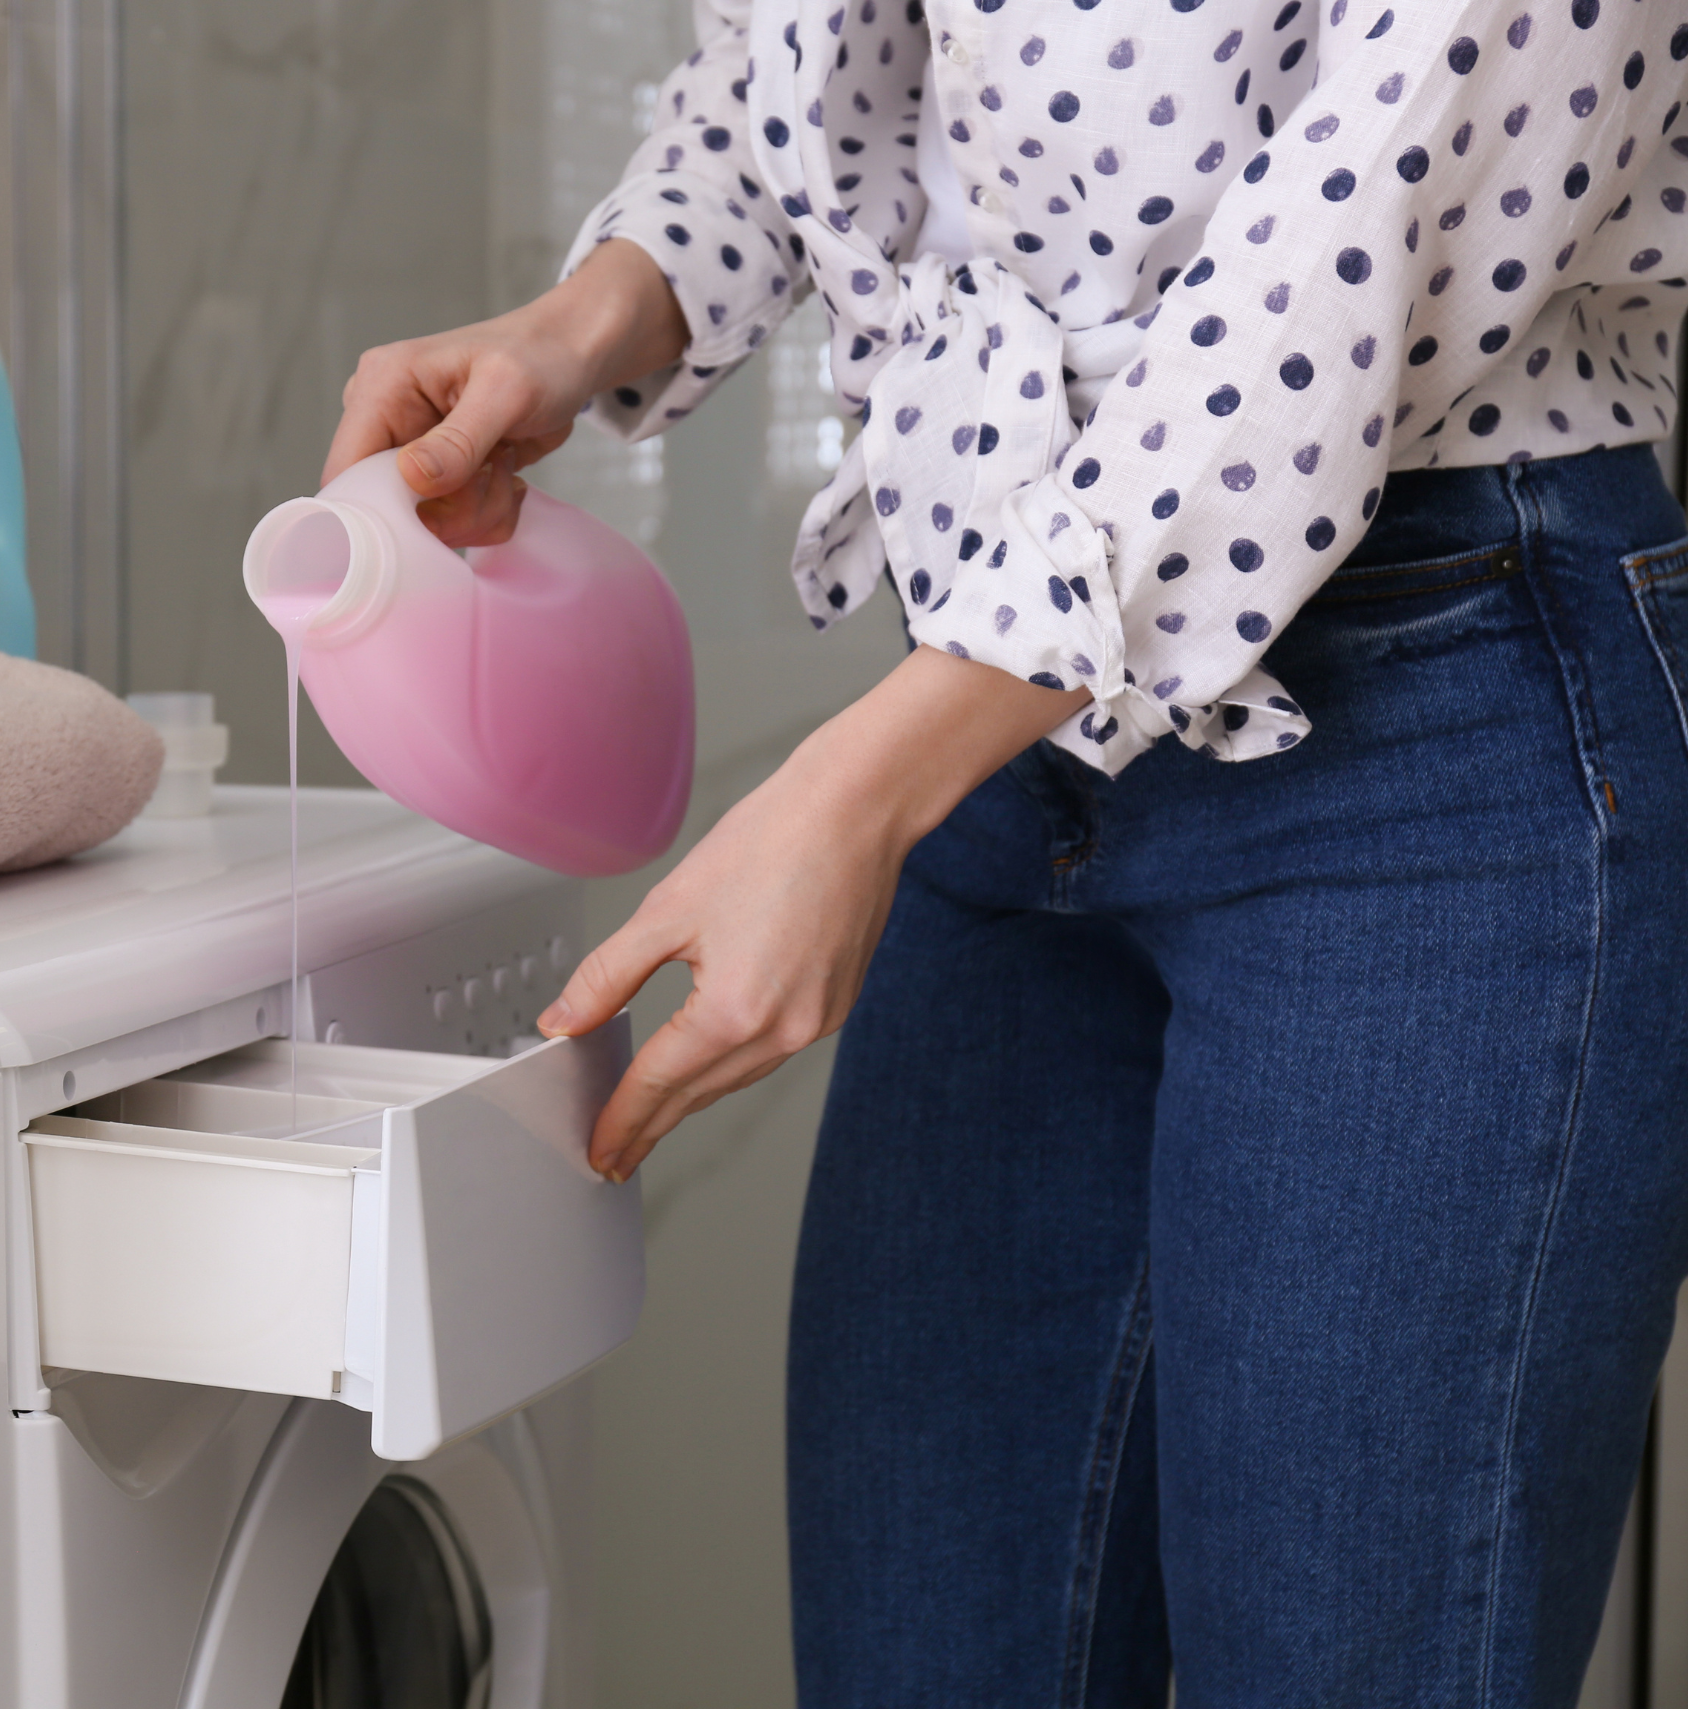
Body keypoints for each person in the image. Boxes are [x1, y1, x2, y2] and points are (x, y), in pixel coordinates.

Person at [324, 0, 1688, 1701]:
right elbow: (798, 66)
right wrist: (584, 318)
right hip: (999, 727)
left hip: (1424, 716)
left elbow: (1346, 272)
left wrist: (859, 789)